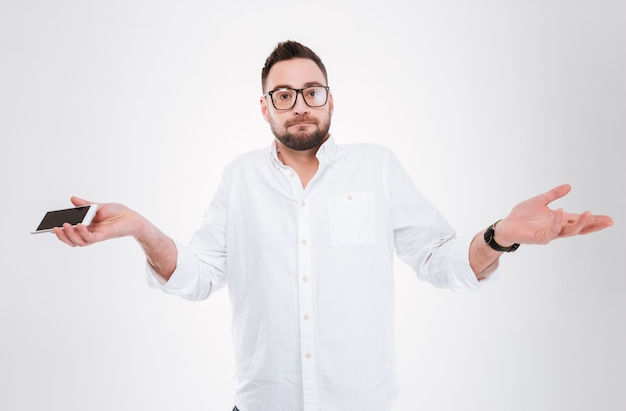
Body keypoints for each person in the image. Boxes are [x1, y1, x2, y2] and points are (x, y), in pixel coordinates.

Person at [53, 41, 613, 411]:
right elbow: (197, 277)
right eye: (284, 93)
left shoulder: (377, 166)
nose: (300, 104)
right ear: (265, 107)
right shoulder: (239, 178)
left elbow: (442, 262)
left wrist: (502, 234)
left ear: (330, 100)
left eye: (312, 91)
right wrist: (142, 230)